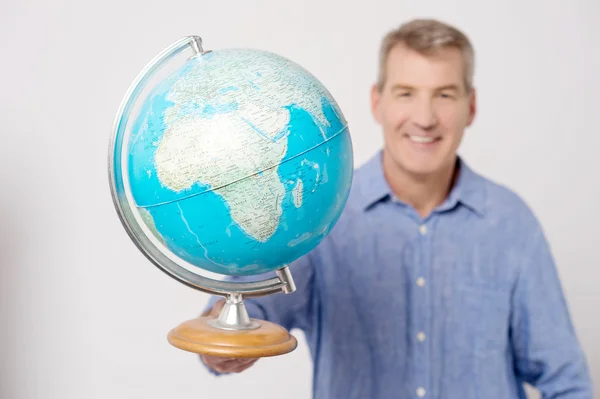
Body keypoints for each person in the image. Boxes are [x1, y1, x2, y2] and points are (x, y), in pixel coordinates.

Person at [199, 18, 594, 398]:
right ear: (377, 102)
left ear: (471, 106)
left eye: (444, 94)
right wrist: (224, 340)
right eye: (406, 93)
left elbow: (565, 381)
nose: (424, 119)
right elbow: (251, 308)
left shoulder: (511, 223)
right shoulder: (321, 214)